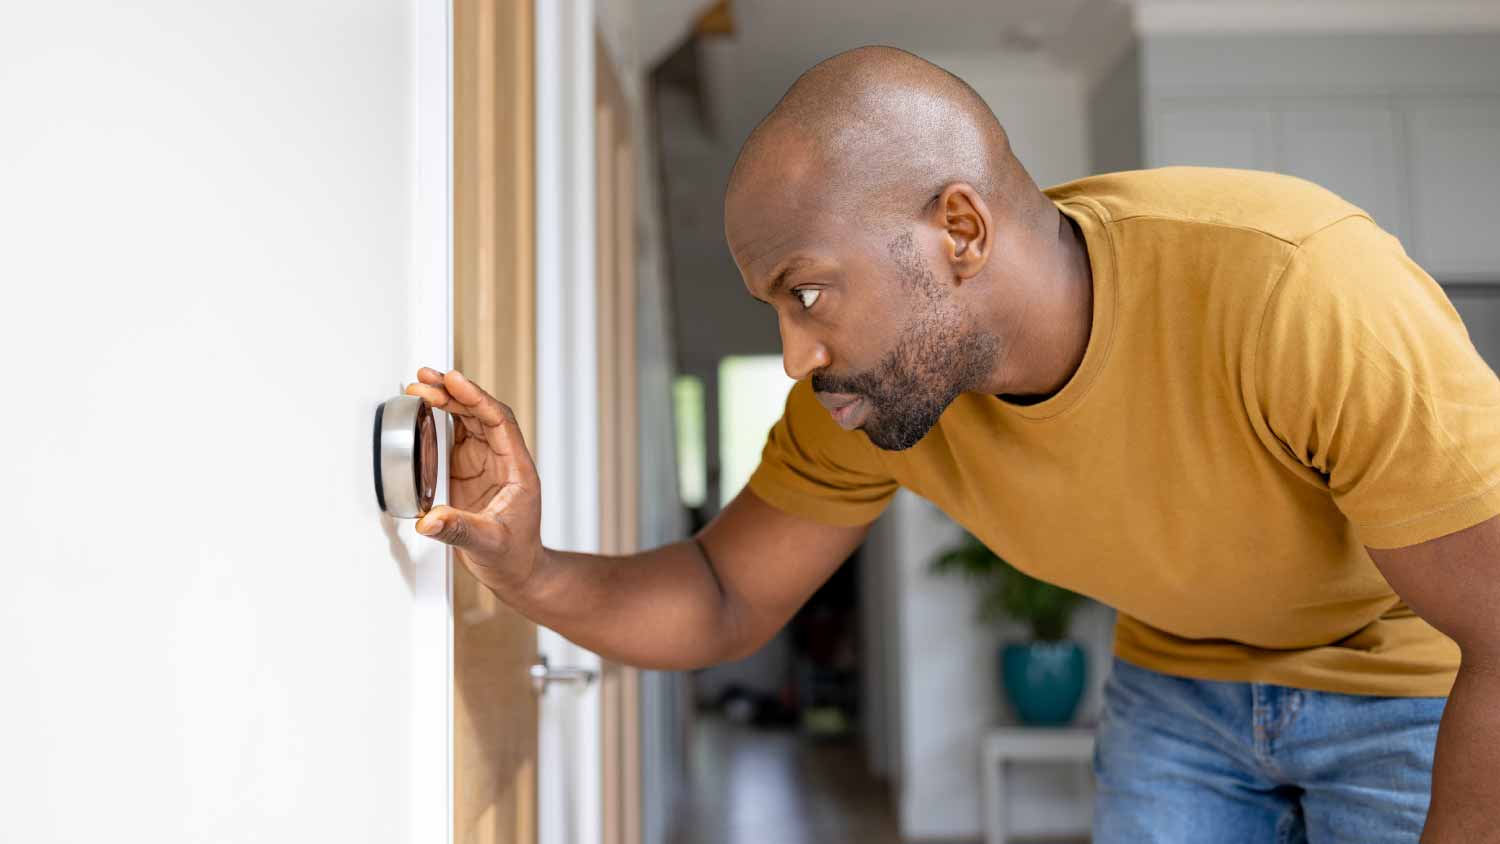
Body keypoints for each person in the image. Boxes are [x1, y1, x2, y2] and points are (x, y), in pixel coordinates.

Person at [404, 46, 1500, 843]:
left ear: (960, 232)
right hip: (1179, 685)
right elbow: (722, 594)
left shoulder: (1296, 286)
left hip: (1416, 685)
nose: (794, 354)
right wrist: (528, 564)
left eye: (810, 290)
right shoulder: (868, 396)